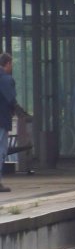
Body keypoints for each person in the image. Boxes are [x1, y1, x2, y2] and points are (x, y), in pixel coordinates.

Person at [0, 53, 29, 192]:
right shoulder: (6, 79)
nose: (12, 67)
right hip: (1, 120)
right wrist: (21, 112)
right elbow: (11, 99)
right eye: (11, 64)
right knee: (1, 150)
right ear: (7, 64)